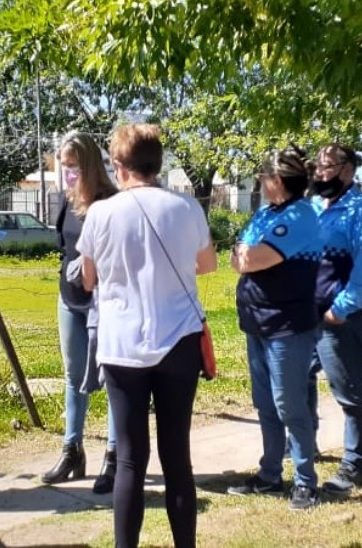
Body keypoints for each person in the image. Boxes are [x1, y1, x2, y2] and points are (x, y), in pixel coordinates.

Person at [77, 124, 217, 547]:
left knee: (130, 461)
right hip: (178, 340)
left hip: (121, 345)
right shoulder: (186, 207)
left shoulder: (101, 213)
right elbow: (207, 265)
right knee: (178, 457)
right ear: (158, 165)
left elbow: (87, 279)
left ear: (118, 167)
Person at [226, 146, 322, 510]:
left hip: (287, 326)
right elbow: (239, 257)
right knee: (265, 402)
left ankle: (305, 481)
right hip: (258, 322)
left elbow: (250, 258)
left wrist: (243, 253)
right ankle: (269, 475)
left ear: (277, 181)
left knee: (290, 404)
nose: (260, 183)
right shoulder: (266, 213)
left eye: (264, 177)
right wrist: (243, 254)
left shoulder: (300, 216)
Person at [40, 131, 119, 494]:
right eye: (63, 166)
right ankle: (72, 449)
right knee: (73, 375)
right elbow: (65, 247)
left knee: (114, 376)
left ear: (88, 164)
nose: (67, 172)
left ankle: (115, 455)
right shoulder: (67, 201)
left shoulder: (111, 201)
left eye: (73, 165)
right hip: (69, 298)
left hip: (106, 301)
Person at [308, 144, 362, 498]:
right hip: (305, 316)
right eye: (317, 166)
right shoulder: (311, 206)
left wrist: (342, 308)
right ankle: (307, 445)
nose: (320, 172)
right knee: (301, 381)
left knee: (349, 392)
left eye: (328, 167)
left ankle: (355, 464)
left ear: (348, 171)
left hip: (338, 320)